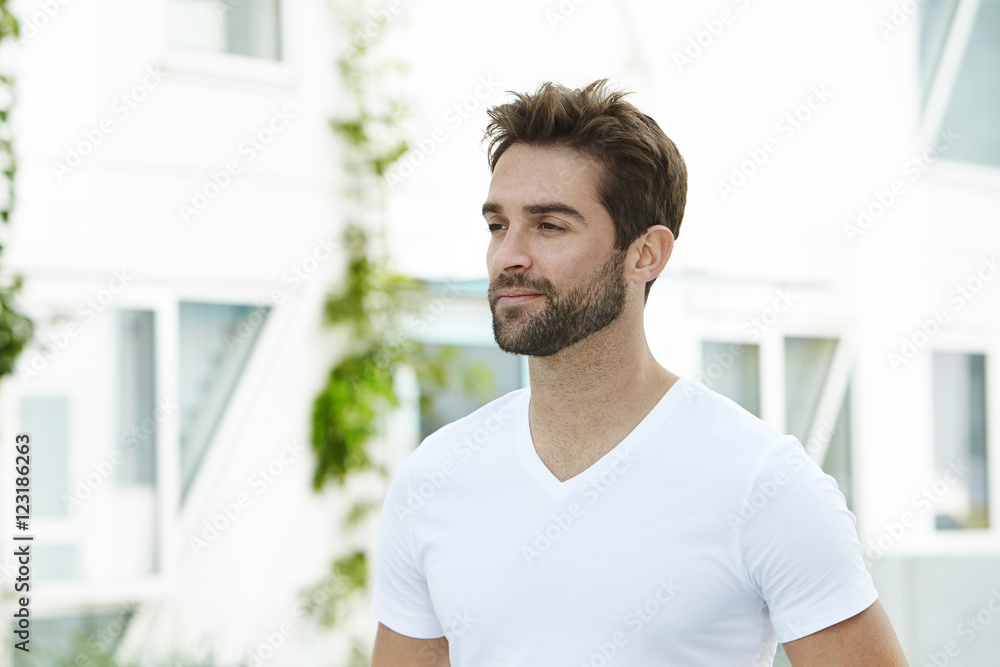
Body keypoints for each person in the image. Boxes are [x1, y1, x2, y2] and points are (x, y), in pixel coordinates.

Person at [369, 80, 907, 666]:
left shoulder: (763, 483)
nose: (508, 255)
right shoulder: (434, 477)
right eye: (498, 225)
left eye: (549, 225)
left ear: (645, 253)